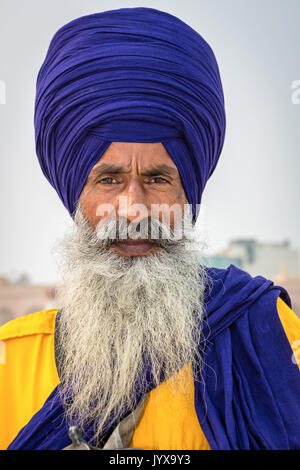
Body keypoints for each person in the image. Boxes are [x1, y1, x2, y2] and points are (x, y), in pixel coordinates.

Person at [1, 7, 300, 451]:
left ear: (188, 192)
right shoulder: (13, 361)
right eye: (109, 179)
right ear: (75, 195)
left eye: (158, 179)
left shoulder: (266, 334)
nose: (135, 208)